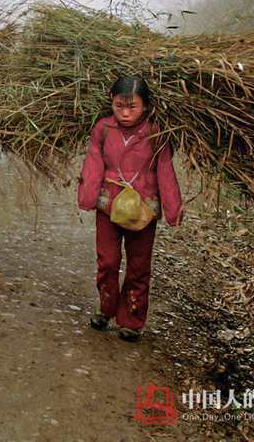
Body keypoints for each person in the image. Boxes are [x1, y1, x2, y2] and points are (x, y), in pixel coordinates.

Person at [77, 75, 182, 341]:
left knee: (139, 266)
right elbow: (93, 163)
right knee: (108, 262)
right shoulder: (103, 129)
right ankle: (106, 308)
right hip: (108, 206)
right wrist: (87, 197)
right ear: (111, 102)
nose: (125, 113)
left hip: (143, 211)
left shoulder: (156, 133)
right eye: (119, 106)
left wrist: (173, 209)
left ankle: (132, 321)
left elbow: (166, 171)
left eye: (132, 106)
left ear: (145, 105)